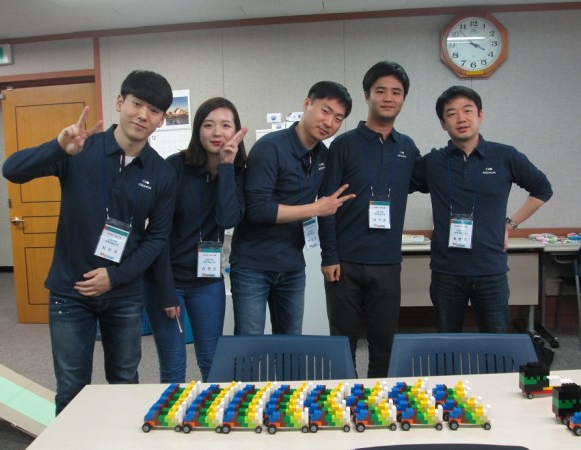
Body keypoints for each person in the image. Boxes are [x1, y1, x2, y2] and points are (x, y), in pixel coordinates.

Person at [2, 70, 177, 414]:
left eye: (154, 110)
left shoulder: (161, 173)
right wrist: (57, 147)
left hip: (124, 294)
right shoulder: (79, 148)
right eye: (137, 104)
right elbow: (12, 170)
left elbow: (157, 237)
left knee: (124, 381)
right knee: (71, 387)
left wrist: (115, 277)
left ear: (161, 119)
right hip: (70, 292)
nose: (143, 115)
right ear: (120, 102)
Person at [412, 85, 553, 333]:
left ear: (480, 115)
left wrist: (510, 224)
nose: (461, 118)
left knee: (495, 343)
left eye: (467, 110)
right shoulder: (433, 162)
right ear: (442, 123)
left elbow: (542, 189)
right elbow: (396, 185)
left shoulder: (505, 156)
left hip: (491, 270)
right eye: (451, 113)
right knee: (447, 342)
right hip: (446, 271)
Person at [318, 61, 420, 378]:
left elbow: (436, 183)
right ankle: (344, 400)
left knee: (384, 346)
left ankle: (378, 402)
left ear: (403, 99)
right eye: (381, 91)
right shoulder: (343, 144)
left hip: (387, 263)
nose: (388, 98)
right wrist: (329, 255)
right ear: (367, 95)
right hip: (344, 264)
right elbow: (327, 204)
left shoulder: (407, 148)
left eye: (396, 92)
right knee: (342, 345)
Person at [230, 81, 354, 336]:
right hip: (252, 265)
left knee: (290, 342)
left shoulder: (323, 155)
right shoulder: (270, 148)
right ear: (307, 104)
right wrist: (314, 209)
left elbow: (328, 209)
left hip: (292, 265)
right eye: (325, 111)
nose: (329, 122)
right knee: (249, 344)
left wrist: (330, 256)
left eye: (338, 118)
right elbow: (257, 210)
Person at [144, 97, 248, 383]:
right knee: (174, 365)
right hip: (167, 279)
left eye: (225, 125)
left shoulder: (237, 171)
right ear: (197, 129)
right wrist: (165, 291)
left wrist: (226, 167)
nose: (217, 133)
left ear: (235, 130)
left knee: (212, 362)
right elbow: (158, 234)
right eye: (208, 125)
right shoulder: (175, 167)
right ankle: (174, 411)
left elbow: (227, 219)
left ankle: (212, 411)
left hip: (207, 281)